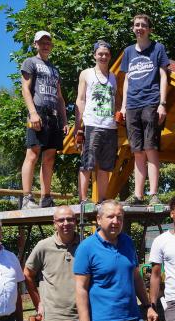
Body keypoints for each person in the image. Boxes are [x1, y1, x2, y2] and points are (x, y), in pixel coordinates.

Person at [119, 14, 170, 206]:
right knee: (137, 150)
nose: (139, 28)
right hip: (132, 105)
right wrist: (123, 106)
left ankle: (154, 194)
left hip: (151, 102)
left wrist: (162, 103)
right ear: (133, 28)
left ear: (149, 29)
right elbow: (126, 81)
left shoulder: (158, 48)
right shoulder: (128, 52)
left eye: (143, 25)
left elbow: (164, 76)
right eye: (136, 25)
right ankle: (138, 196)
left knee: (151, 148)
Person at [20, 30, 69, 209]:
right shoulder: (30, 62)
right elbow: (25, 89)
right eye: (42, 42)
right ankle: (26, 197)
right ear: (35, 44)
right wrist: (33, 113)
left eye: (48, 42)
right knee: (33, 153)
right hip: (37, 111)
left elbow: (60, 97)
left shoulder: (55, 69)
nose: (45, 45)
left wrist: (64, 120)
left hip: (53, 115)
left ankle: (46, 197)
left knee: (49, 156)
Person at [75, 40, 118, 204]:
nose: (103, 56)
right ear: (94, 55)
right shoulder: (86, 73)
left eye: (106, 54)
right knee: (88, 163)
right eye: (100, 53)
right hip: (91, 123)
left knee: (106, 166)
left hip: (110, 126)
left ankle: (102, 200)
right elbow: (80, 100)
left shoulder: (113, 77)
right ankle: (83, 199)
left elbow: (117, 100)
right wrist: (78, 127)